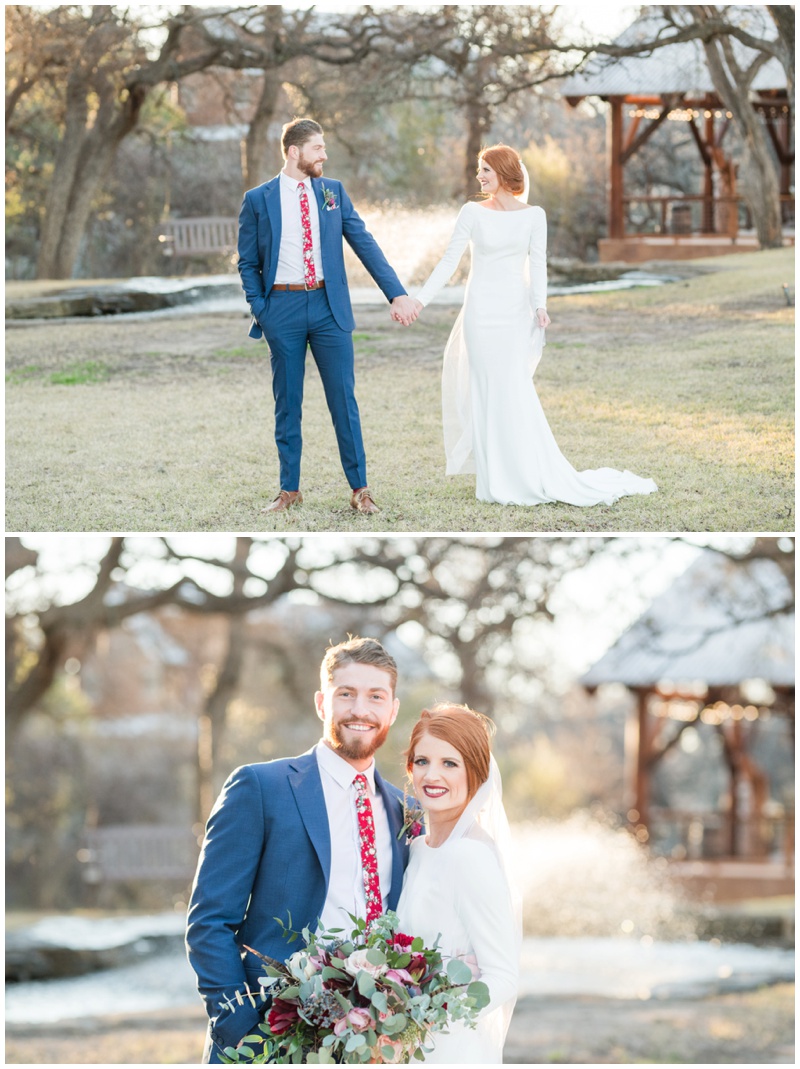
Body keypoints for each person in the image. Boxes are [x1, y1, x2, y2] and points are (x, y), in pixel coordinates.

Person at [185, 636, 409, 1063]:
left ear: (392, 710)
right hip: (268, 1037)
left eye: (375, 697)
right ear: (322, 703)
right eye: (346, 694)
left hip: (372, 1044)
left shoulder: (406, 811)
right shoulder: (260, 787)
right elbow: (209, 923)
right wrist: (242, 1029)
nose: (360, 709)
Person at [407, 144, 658, 507]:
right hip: (479, 312)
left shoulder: (534, 216)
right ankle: (493, 480)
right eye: (480, 171)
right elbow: (449, 262)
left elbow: (537, 264)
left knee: (512, 387)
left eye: (486, 171)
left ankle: (526, 472)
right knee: (484, 388)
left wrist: (540, 305)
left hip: (513, 312)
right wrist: (419, 300)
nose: (479, 177)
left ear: (505, 173)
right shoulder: (472, 212)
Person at [237, 117, 419, 515]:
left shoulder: (332, 192)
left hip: (328, 309)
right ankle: (289, 490)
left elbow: (364, 243)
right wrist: (262, 310)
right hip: (280, 310)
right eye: (317, 148)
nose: (324, 155)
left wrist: (398, 294)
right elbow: (247, 262)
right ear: (294, 152)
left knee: (343, 400)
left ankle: (360, 490)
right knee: (288, 403)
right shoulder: (257, 200)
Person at [396, 703, 521, 1063]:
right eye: (422, 761)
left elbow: (503, 977)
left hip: (450, 1048)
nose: (432, 775)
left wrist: (420, 1018)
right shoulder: (418, 849)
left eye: (449, 763)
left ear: (476, 774)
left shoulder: (471, 856)